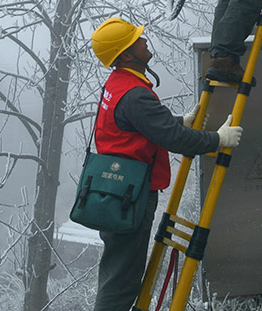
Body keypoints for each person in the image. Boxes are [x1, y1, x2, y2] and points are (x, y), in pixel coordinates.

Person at [89, 17, 242, 311]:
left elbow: (137, 125)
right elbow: (174, 139)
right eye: (137, 40)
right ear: (125, 55)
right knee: (122, 282)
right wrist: (217, 139)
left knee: (116, 274)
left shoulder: (118, 84)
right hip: (129, 197)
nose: (144, 40)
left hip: (114, 191)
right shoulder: (135, 94)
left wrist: (178, 122)